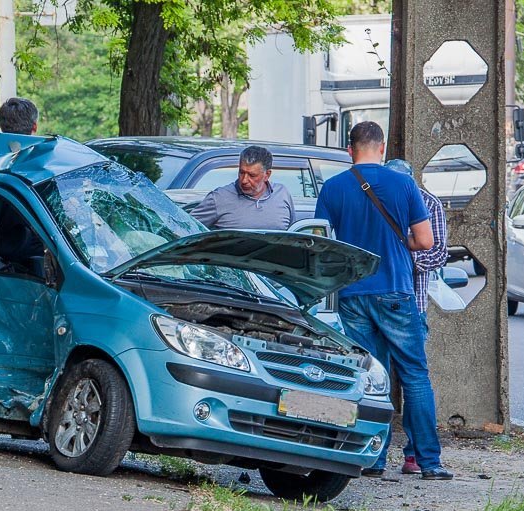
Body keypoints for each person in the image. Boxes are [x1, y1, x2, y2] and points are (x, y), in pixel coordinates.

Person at [314, 121, 453, 480]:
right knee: (414, 375)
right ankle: (429, 462)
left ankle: (371, 459)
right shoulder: (404, 184)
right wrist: (397, 243)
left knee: (368, 377)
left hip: (352, 294)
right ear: (382, 148)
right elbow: (425, 241)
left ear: (350, 150)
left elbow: (322, 245)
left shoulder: (331, 188)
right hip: (395, 290)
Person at [384, 158, 449, 475]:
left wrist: (400, 255)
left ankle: (417, 456)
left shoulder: (429, 203)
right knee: (376, 379)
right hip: (375, 299)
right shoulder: (376, 198)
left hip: (412, 303)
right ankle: (375, 455)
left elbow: (437, 253)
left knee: (414, 380)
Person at [189, 145, 296, 230]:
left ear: (267, 175)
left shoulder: (282, 194)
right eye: (241, 172)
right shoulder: (219, 198)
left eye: (252, 175)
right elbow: (186, 229)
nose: (244, 180)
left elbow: (294, 236)